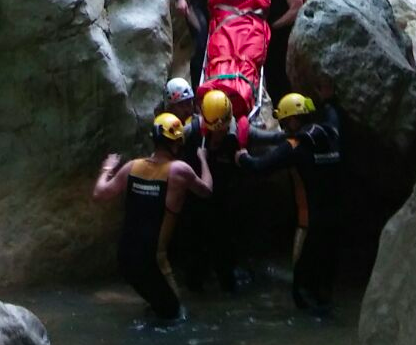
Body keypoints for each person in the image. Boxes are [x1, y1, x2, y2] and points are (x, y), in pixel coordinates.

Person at [93, 113, 213, 319]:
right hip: (153, 261)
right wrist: (203, 160)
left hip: (125, 257)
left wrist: (107, 169)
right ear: (176, 144)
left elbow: (99, 193)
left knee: (158, 306)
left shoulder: (132, 167)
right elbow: (206, 191)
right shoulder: (179, 170)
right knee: (175, 315)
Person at [235, 92, 342, 315]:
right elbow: (332, 112)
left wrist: (242, 156)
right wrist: (328, 99)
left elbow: (259, 167)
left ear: (293, 120)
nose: (284, 128)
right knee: (325, 282)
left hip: (309, 224)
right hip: (336, 222)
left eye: (284, 123)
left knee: (301, 288)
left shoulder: (294, 147)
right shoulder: (332, 132)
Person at [193, 90, 249, 292]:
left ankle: (228, 282)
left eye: (221, 129)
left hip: (225, 203)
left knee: (224, 250)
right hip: (200, 203)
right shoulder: (195, 133)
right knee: (198, 250)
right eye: (214, 130)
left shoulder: (237, 136)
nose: (218, 133)